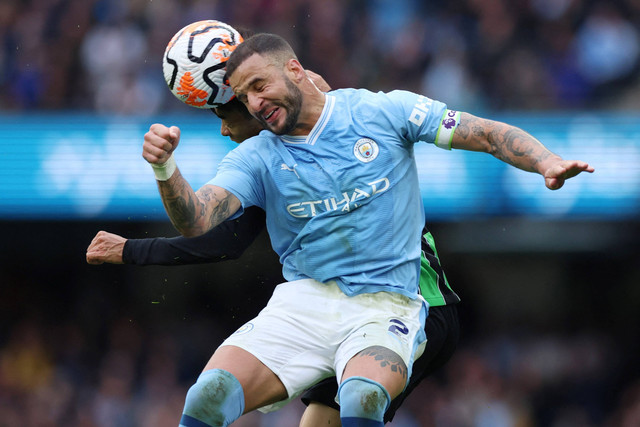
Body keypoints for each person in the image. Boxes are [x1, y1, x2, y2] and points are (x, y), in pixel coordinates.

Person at [141, 33, 593, 427]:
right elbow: (197, 219)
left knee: (361, 397)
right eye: (244, 96)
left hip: (387, 302)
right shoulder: (256, 156)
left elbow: (485, 133)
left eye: (260, 86)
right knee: (207, 395)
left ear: (295, 70)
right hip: (304, 302)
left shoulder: (383, 111)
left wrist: (545, 162)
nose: (256, 103)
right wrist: (165, 168)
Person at [87, 95, 461, 426]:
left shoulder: (313, 131)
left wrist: (131, 250)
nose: (222, 130)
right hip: (342, 309)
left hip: (417, 304)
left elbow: (226, 242)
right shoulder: (272, 155)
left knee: (355, 402)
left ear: (255, 109)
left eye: (225, 116)